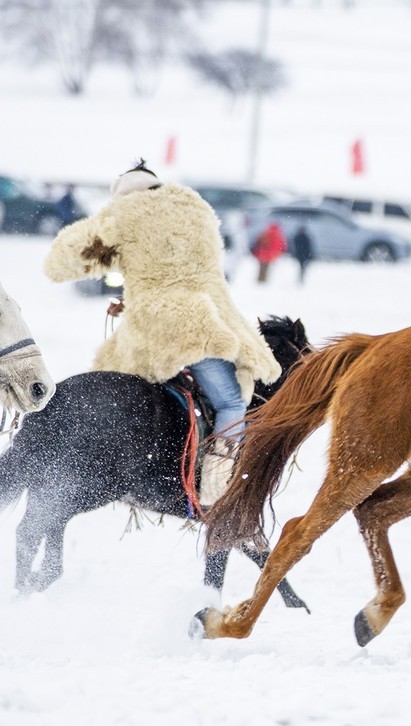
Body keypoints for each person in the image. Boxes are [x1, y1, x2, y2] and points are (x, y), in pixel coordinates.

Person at [43, 161, 282, 507]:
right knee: (231, 401)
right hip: (201, 324)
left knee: (106, 387)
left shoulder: (122, 216)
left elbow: (61, 264)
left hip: (152, 331)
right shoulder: (195, 208)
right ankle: (216, 484)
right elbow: (184, 275)